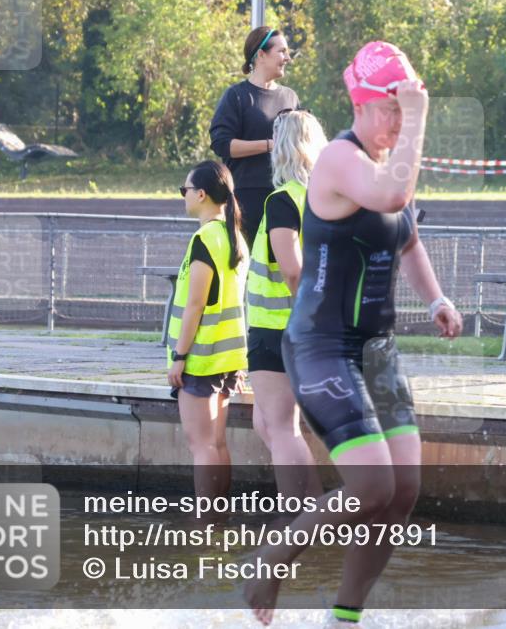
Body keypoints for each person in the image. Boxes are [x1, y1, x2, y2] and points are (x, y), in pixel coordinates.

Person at [244, 41, 463, 626]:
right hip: (321, 347)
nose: (399, 120)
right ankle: (273, 558)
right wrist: (417, 119)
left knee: (403, 491)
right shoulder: (340, 161)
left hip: (376, 351)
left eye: (405, 109)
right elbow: (394, 193)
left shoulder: (390, 165)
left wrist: (436, 297)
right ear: (362, 105)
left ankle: (345, 615)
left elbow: (407, 234)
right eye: (391, 109)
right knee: (370, 485)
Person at [247, 109, 327, 501]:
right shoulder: (323, 198)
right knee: (264, 420)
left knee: (280, 426)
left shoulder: (283, 200)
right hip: (294, 326)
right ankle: (313, 505)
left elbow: (292, 270)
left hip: (278, 327)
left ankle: (296, 517)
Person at [167, 160, 248, 518]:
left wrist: (179, 356)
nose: (183, 196)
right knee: (216, 443)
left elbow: (195, 304)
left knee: (201, 446)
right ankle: (220, 516)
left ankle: (205, 523)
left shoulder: (204, 239)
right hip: (228, 357)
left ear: (201, 194)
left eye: (184, 189)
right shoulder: (234, 235)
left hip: (201, 358)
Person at [210, 25, 299, 247]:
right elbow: (221, 144)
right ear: (261, 55)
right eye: (282, 51)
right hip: (247, 200)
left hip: (286, 196)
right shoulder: (237, 96)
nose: (287, 58)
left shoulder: (290, 97)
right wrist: (270, 145)